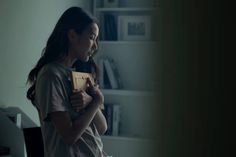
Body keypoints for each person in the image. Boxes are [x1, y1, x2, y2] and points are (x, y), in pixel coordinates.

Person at [26, 6, 109, 157]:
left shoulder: (81, 75)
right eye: (91, 37)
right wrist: (97, 101)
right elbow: (69, 136)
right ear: (72, 35)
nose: (95, 46)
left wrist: (91, 101)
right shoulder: (50, 75)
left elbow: (102, 128)